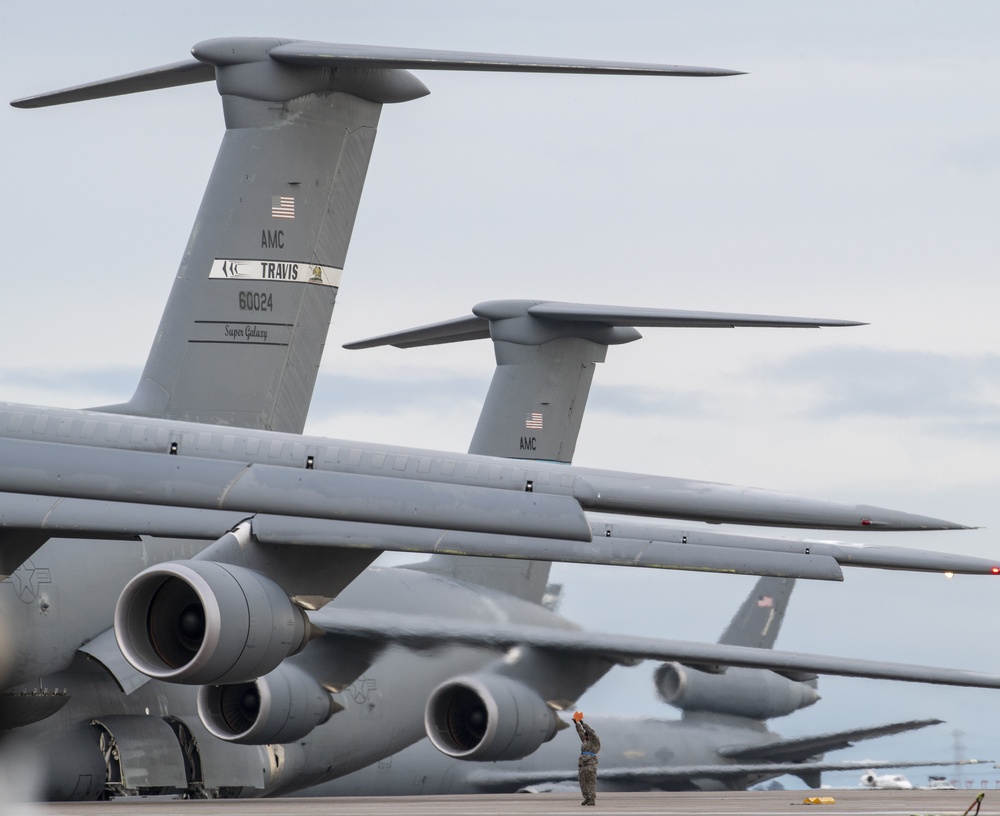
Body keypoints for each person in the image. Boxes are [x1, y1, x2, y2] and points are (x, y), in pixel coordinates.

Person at [573, 711, 600, 806]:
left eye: (585, 734)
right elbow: (580, 732)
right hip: (583, 765)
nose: (583, 735)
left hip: (590, 765)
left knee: (591, 783)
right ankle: (587, 798)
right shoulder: (585, 742)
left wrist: (582, 723)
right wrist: (576, 724)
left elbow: (591, 732)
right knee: (583, 782)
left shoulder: (594, 742)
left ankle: (592, 799)